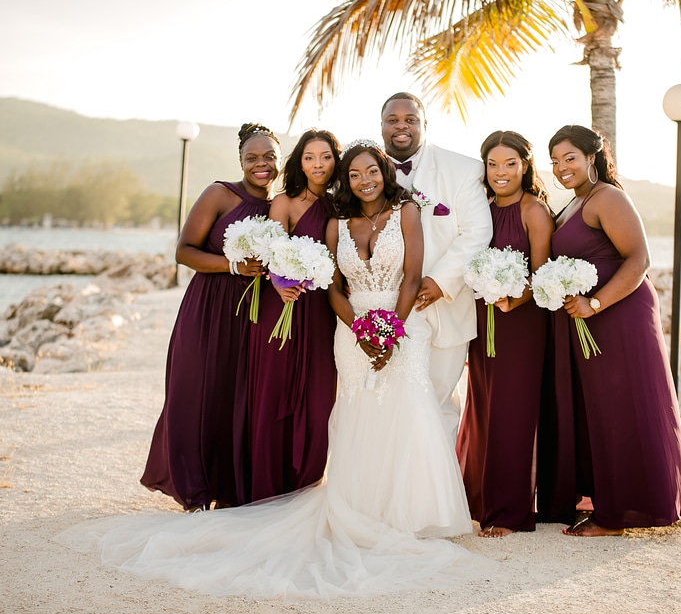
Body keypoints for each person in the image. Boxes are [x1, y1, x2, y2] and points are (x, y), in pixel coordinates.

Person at [58, 141, 484, 598]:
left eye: (366, 170)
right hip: (343, 325)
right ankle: (350, 504)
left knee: (407, 412)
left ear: (382, 173)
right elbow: (321, 280)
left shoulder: (403, 213)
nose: (359, 178)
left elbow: (413, 276)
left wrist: (391, 329)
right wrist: (356, 326)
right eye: (347, 170)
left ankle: (413, 512)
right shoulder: (329, 218)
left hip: (395, 326)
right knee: (354, 412)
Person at [547, 124, 681, 536]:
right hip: (592, 319)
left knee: (623, 405)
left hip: (621, 314)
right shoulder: (575, 203)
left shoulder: (608, 198)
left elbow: (639, 258)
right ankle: (609, 498)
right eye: (555, 161)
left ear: (592, 157)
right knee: (603, 409)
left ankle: (621, 514)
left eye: (570, 158)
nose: (561, 168)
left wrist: (595, 303)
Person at [140, 123, 280, 511]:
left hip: (251, 317)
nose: (261, 164)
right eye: (252, 157)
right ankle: (194, 491)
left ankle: (230, 489)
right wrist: (232, 265)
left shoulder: (281, 206)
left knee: (235, 400)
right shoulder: (220, 194)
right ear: (240, 161)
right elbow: (183, 251)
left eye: (269, 156)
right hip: (208, 309)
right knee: (195, 394)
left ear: (281, 160)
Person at [456, 130, 572, 538]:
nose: (500, 172)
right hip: (480, 322)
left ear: (525, 165)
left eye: (510, 164)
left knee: (513, 413)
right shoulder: (480, 207)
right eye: (492, 164)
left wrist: (509, 297)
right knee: (482, 408)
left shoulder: (533, 210)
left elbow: (541, 277)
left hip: (520, 324)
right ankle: (476, 500)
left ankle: (509, 512)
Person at [380, 92, 492, 444]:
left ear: (424, 124)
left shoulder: (462, 168)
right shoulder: (363, 171)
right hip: (383, 306)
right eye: (393, 120)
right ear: (381, 126)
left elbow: (477, 232)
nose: (402, 126)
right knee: (386, 407)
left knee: (440, 404)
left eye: (410, 119)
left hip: (443, 307)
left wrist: (439, 282)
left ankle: (437, 496)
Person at [245, 129, 341, 502]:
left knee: (318, 403)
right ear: (299, 162)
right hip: (281, 304)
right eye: (309, 157)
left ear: (336, 161)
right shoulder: (283, 202)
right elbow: (271, 252)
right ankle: (267, 489)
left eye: (326, 157)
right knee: (273, 396)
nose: (318, 165)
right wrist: (279, 282)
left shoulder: (339, 206)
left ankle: (305, 488)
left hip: (320, 313)